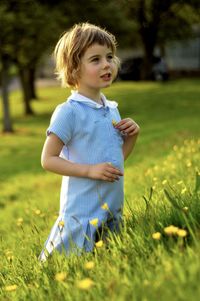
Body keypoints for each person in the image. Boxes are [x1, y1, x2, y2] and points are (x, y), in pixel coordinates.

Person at [39, 23, 140, 262]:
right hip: (82, 211)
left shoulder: (112, 109)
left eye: (110, 57)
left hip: (111, 206)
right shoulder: (69, 112)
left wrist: (132, 138)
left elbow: (114, 162)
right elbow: (48, 160)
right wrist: (89, 170)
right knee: (69, 261)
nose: (107, 64)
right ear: (74, 69)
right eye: (95, 59)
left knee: (108, 259)